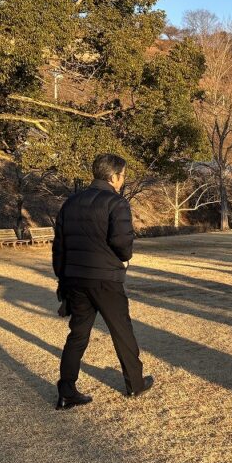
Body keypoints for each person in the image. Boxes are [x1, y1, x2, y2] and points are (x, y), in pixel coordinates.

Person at [52, 154, 154, 409]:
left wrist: (62, 277)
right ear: (113, 176)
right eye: (123, 175)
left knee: (78, 334)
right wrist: (125, 258)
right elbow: (122, 241)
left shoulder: (70, 203)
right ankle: (135, 383)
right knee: (121, 330)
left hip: (75, 278)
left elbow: (59, 246)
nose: (123, 180)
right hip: (105, 278)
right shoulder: (116, 203)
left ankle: (66, 390)